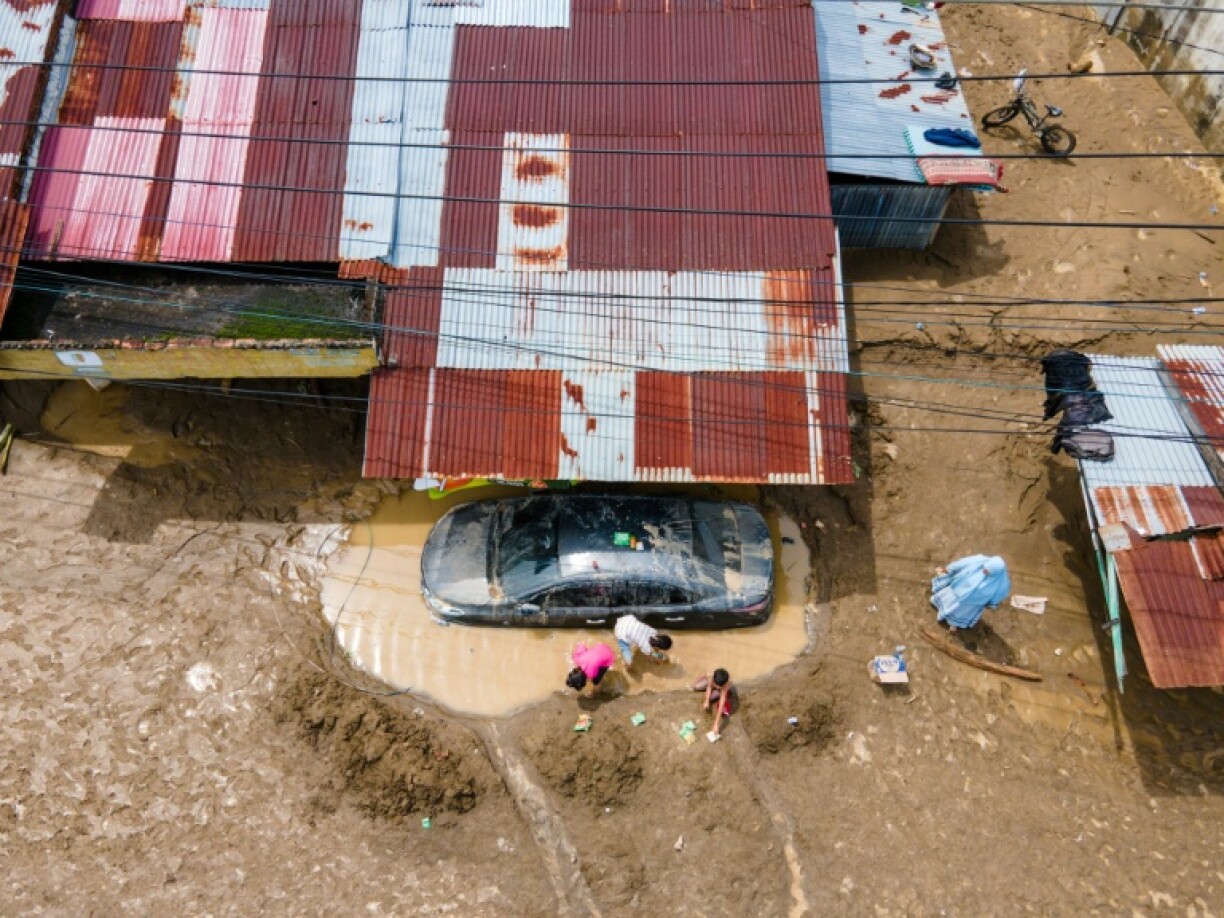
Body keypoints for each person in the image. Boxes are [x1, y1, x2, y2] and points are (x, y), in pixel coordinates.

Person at [930, 555, 1011, 632]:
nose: (984, 571)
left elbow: (998, 596)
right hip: (959, 589)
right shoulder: (979, 560)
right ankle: (939, 606)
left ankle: (953, 625)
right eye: (985, 568)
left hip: (972, 603)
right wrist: (949, 568)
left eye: (988, 572)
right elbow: (962, 563)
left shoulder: (1003, 584)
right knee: (948, 600)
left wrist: (991, 604)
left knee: (960, 614)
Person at [693, 668, 734, 740]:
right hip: (710, 681)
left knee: (713, 697)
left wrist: (716, 723)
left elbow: (721, 703)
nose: (717, 687)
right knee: (696, 687)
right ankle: (714, 690)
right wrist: (706, 700)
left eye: (719, 686)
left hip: (723, 689)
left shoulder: (727, 684)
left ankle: (726, 692)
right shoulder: (710, 676)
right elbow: (709, 687)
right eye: (716, 685)